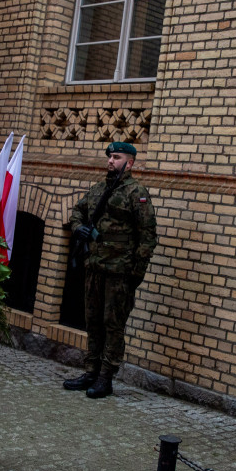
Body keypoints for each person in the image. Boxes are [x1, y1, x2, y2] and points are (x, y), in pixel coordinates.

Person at [63, 142, 158, 399]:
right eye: (110, 157)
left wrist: (135, 274)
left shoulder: (136, 192)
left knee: (112, 325)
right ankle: (90, 371)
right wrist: (77, 227)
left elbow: (148, 237)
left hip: (119, 273)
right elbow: (77, 212)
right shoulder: (99, 189)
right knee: (92, 321)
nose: (110, 161)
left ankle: (106, 377)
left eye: (116, 157)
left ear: (130, 163)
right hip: (94, 267)